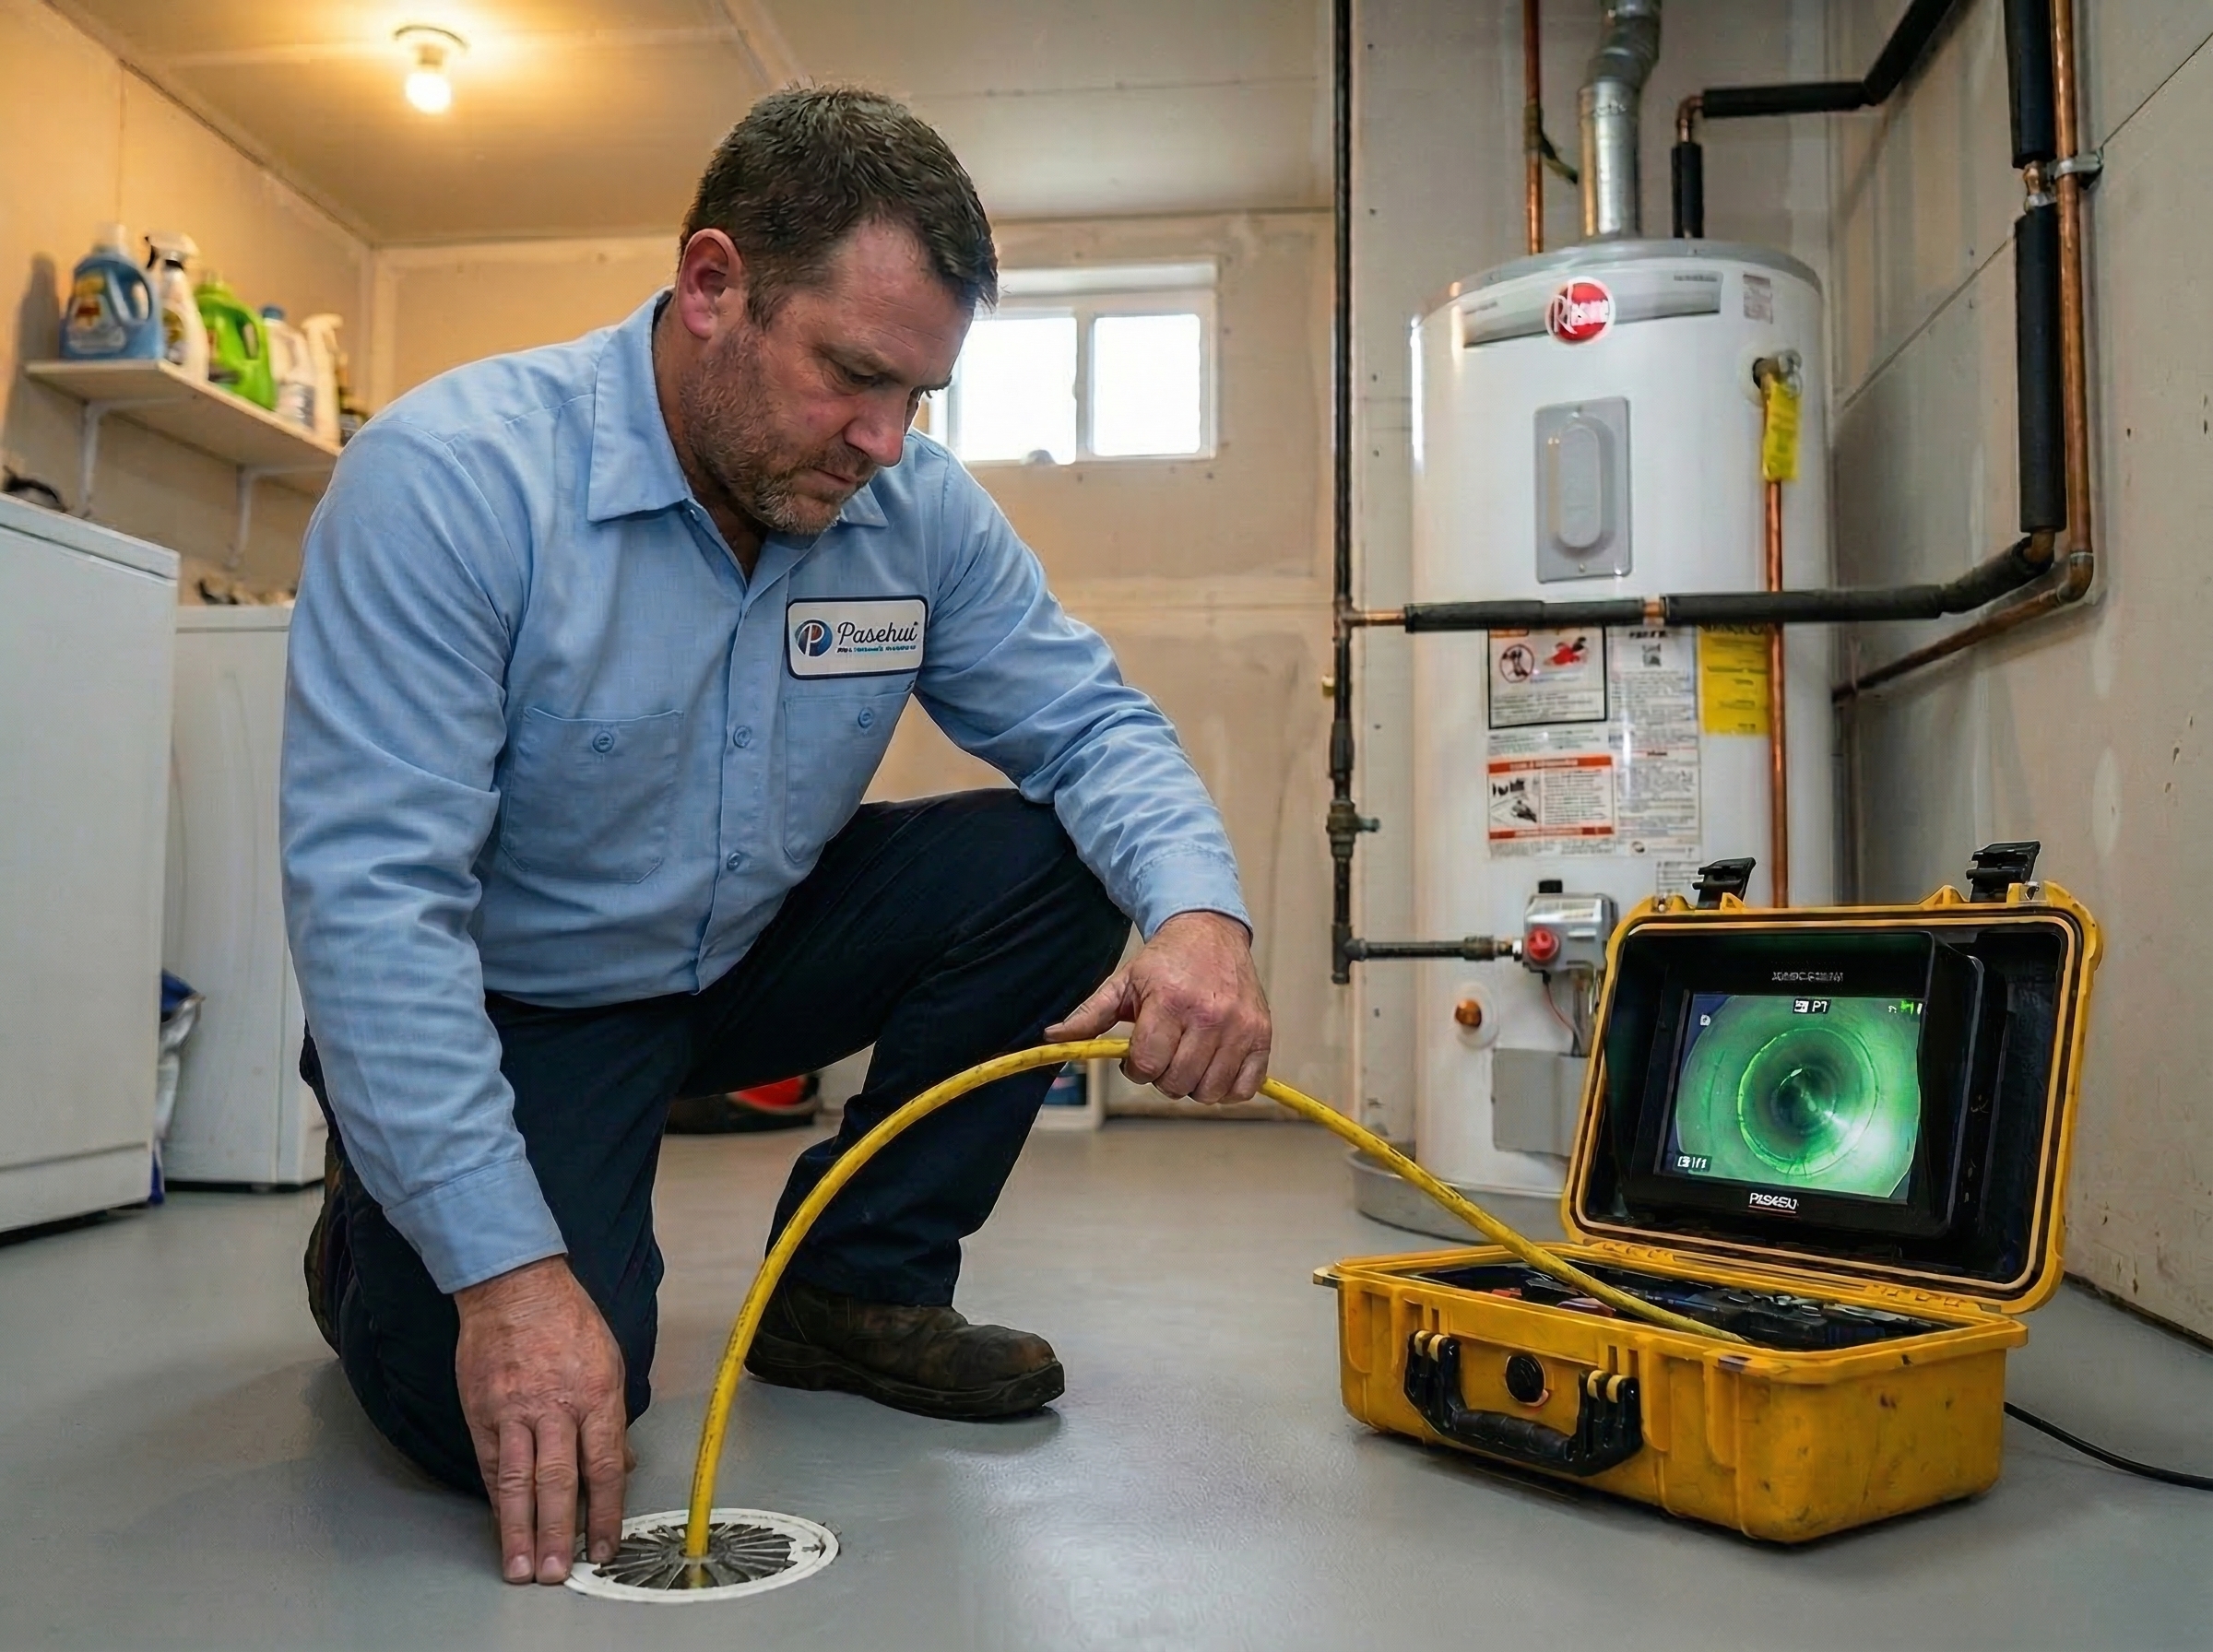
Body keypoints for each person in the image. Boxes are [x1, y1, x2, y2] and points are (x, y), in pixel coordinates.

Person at [280, 86, 1272, 1587]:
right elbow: (374, 906)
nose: (885, 442)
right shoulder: (458, 485)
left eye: (919, 398)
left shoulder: (910, 507)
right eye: (854, 377)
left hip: (749, 945)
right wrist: (506, 1278)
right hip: (524, 999)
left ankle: (852, 1291)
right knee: (514, 1405)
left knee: (1060, 856)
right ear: (712, 286)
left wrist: (1202, 917)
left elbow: (1090, 728)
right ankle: (381, 1213)